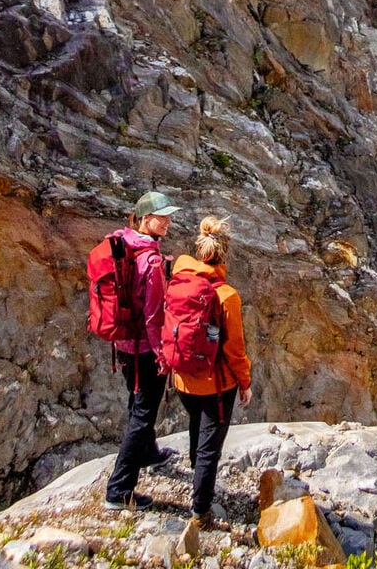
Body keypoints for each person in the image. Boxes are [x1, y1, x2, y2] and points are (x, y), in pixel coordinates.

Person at [170, 216, 253, 527]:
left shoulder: (178, 276)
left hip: (181, 377)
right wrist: (244, 383)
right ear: (225, 254)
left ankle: (196, 478)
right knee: (209, 446)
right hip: (215, 385)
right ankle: (201, 512)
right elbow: (234, 350)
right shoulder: (227, 295)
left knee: (196, 426)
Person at [103, 191, 180, 511]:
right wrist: (162, 352)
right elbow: (153, 315)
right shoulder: (149, 260)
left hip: (123, 343)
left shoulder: (125, 243)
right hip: (144, 348)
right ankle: (119, 490)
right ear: (145, 219)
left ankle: (149, 453)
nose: (167, 221)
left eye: (167, 216)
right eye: (161, 216)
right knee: (143, 412)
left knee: (137, 403)